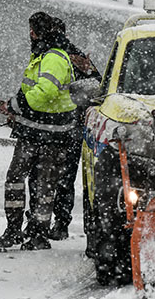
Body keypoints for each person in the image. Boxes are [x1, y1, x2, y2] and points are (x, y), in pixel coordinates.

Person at [0, 11, 78, 251]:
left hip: (47, 135)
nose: (29, 35)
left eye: (32, 31)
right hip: (38, 132)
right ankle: (20, 231)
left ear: (40, 32)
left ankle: (34, 234)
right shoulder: (45, 55)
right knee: (30, 183)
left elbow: (45, 94)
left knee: (40, 185)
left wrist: (15, 106)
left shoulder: (53, 57)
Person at [26, 17, 101, 241]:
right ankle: (47, 222)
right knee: (52, 178)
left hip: (67, 126)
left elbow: (96, 85)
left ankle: (53, 222)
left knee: (56, 178)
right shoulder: (51, 52)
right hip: (60, 126)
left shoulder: (61, 54)